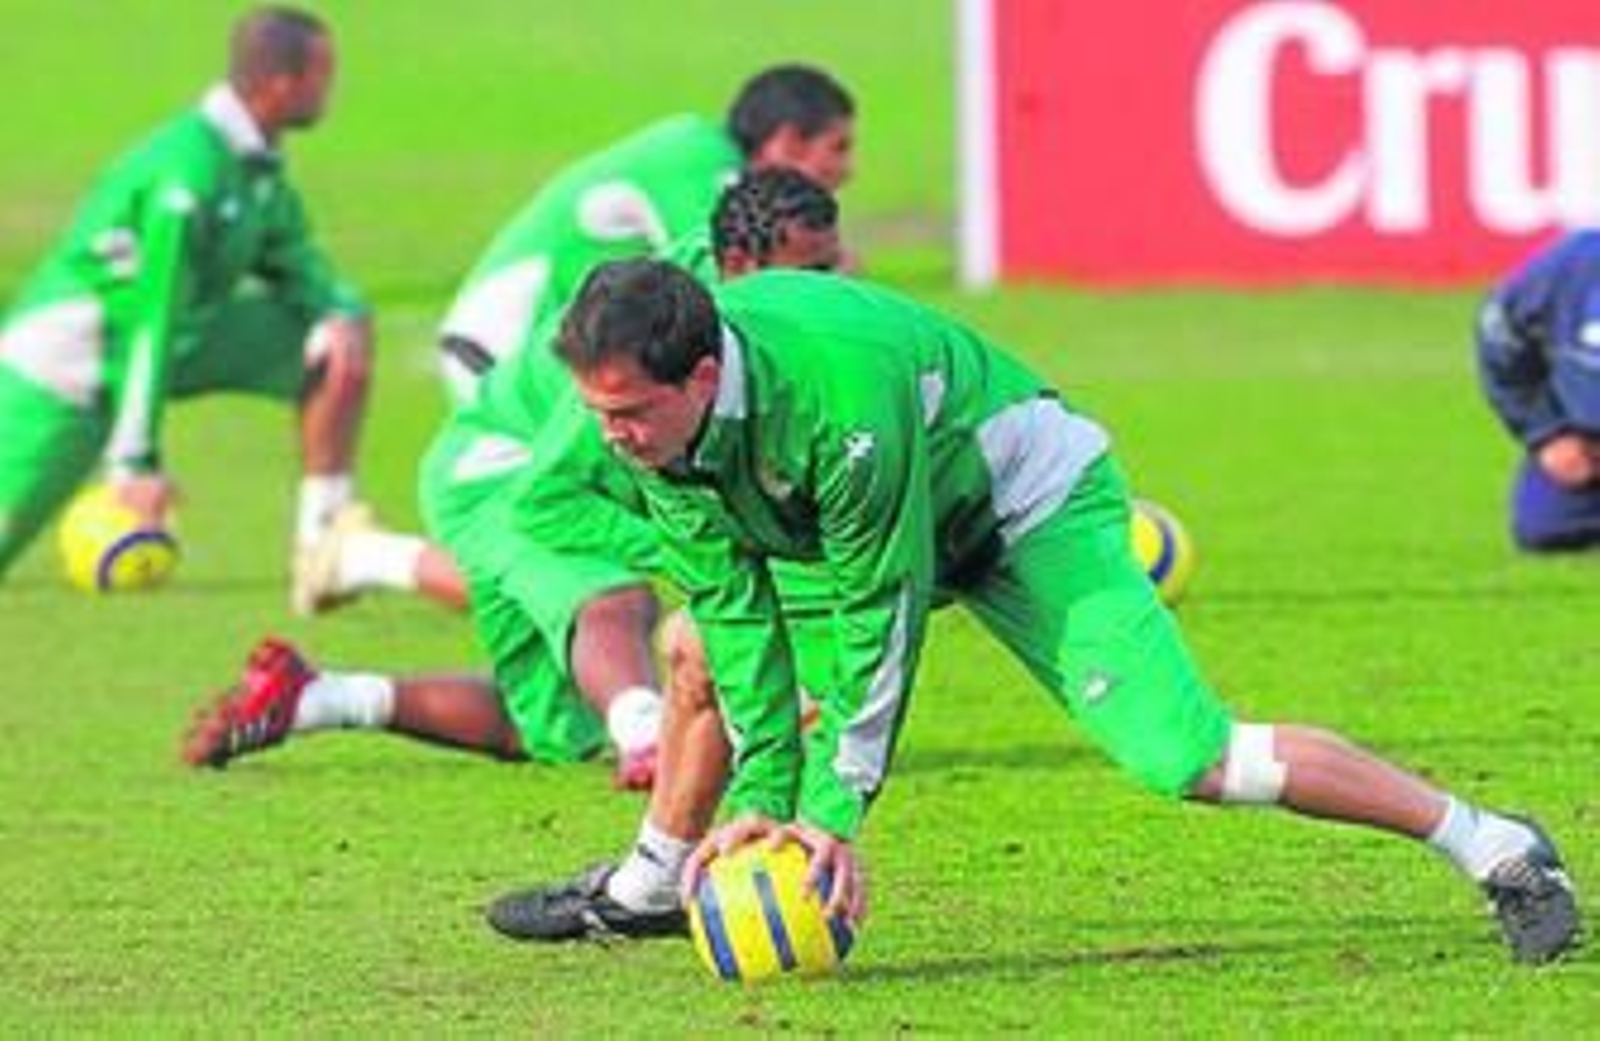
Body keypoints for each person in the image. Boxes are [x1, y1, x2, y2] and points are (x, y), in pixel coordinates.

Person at [486, 259, 1581, 966]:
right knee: (694, 652)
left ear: (703, 373)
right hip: (851, 525)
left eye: (630, 412)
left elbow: (880, 614)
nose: (613, 435)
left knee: (1193, 760)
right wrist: (761, 802)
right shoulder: (644, 435)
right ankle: (650, 885)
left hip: (1021, 512)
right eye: (600, 413)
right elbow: (733, 610)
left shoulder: (841, 396)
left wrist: (827, 818)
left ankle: (1495, 847)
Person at [180, 170, 844, 792]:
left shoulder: (747, 307)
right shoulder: (659, 332)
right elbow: (549, 496)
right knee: (612, 597)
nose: (832, 284)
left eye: (830, 265)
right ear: (740, 263)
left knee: (553, 730)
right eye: (812, 270)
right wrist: (707, 553)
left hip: (559, 476)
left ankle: (318, 697)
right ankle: (645, 734)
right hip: (499, 473)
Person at [0, 6, 426, 612]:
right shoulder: (189, 175)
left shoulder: (256, 169)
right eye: (322, 75)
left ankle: (323, 546)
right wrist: (135, 463)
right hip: (66, 371)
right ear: (281, 82)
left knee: (335, 338)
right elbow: (153, 317)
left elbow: (296, 260)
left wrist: (338, 309)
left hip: (169, 346)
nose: (331, 90)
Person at [436, 63, 854, 404]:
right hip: (503, 352)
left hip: (529, 352)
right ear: (788, 141)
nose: (847, 170)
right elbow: (734, 279)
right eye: (838, 147)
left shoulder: (699, 154)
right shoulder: (697, 157)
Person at [1477, 230, 1600, 551]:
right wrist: (1547, 434)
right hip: (1589, 444)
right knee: (1545, 530)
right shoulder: (1574, 265)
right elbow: (1499, 332)